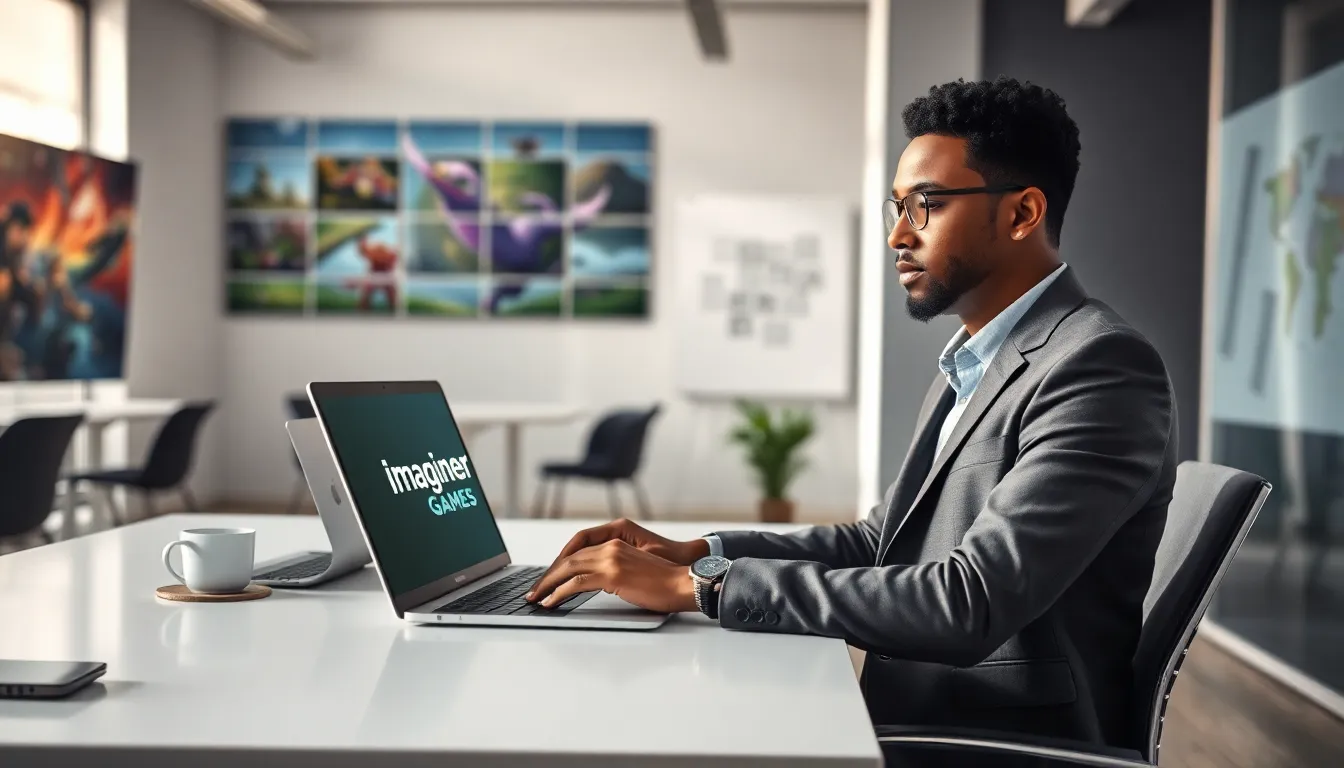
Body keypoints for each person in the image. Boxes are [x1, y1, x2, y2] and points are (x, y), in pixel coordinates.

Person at [525, 75, 1178, 753]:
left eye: (926, 206)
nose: (897, 234)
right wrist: (701, 553)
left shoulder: (1099, 367)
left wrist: (702, 589)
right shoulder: (972, 363)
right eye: (898, 207)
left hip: (989, 740)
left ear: (1021, 213)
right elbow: (878, 543)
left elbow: (970, 603)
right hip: (919, 712)